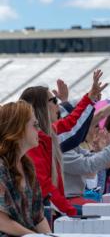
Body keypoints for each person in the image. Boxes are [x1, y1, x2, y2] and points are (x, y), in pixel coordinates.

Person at [20, 70, 107, 216]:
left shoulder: (45, 134)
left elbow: (71, 124)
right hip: (39, 211)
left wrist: (90, 98)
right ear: (42, 107)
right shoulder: (35, 140)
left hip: (49, 207)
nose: (58, 105)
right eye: (54, 101)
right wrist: (68, 210)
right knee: (97, 214)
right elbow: (74, 130)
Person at [0, 101, 51, 236]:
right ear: (18, 128)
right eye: (34, 125)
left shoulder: (27, 166)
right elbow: (2, 221)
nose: (39, 130)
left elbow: (38, 217)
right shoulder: (1, 167)